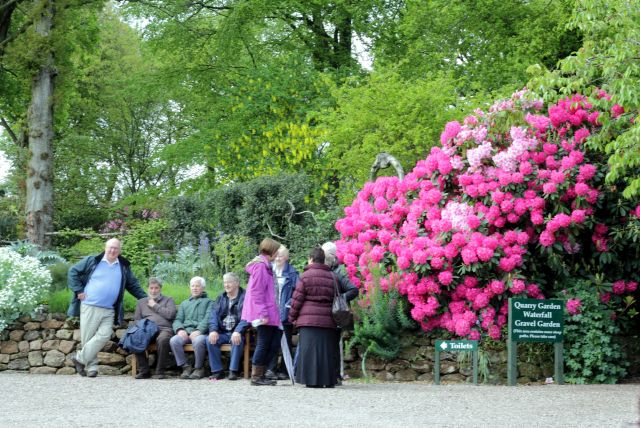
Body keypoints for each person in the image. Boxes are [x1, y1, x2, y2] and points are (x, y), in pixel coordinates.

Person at [67, 238, 147, 378]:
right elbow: (73, 271)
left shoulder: (123, 266)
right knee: (88, 338)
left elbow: (133, 285)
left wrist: (146, 299)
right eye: (110, 247)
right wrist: (79, 290)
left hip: (109, 309)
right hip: (90, 306)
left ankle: (79, 358)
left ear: (119, 250)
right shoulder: (93, 261)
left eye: (116, 248)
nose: (112, 250)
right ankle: (91, 368)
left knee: (104, 335)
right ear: (105, 247)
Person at [289, 247, 338, 388]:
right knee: (326, 352)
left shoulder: (305, 276)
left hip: (308, 320)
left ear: (311, 259)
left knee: (309, 352)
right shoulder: (332, 276)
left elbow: (297, 299)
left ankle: (311, 380)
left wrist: (292, 317)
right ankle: (327, 380)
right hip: (328, 319)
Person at [241, 237, 282, 386]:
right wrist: (263, 313)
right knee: (264, 343)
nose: (278, 254)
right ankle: (257, 376)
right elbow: (257, 292)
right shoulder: (260, 266)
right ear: (271, 250)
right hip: (264, 312)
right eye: (276, 250)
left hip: (271, 311)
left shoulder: (265, 265)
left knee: (272, 342)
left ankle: (262, 373)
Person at [321, 241, 359, 385]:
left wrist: (339, 298)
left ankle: (337, 374)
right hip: (325, 312)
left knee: (335, 345)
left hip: (336, 313)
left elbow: (353, 289)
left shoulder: (338, 271)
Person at [206, 272, 249, 381]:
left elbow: (247, 317)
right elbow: (213, 315)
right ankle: (217, 371)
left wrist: (238, 331)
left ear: (237, 283)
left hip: (239, 332)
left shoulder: (246, 297)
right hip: (223, 332)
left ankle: (233, 371)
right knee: (210, 339)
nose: (226, 285)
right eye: (225, 282)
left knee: (236, 339)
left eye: (229, 282)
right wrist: (213, 330)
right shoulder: (221, 297)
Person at [265, 245, 299, 381]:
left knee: (286, 343)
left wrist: (289, 304)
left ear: (286, 257)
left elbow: (298, 292)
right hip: (270, 313)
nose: (278, 258)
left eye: (281, 255)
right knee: (272, 342)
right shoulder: (268, 269)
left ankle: (285, 370)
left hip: (285, 313)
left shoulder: (292, 273)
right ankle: (270, 369)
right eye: (276, 255)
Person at [132, 277, 177, 379]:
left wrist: (155, 305)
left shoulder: (168, 300)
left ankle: (160, 371)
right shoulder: (141, 302)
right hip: (147, 329)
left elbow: (171, 315)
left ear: (160, 288)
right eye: (151, 288)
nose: (153, 291)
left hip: (164, 329)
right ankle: (144, 371)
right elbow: (137, 320)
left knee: (162, 339)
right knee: (136, 337)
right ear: (148, 288)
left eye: (156, 288)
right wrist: (143, 329)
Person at [170, 276, 213, 380]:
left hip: (201, 333)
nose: (194, 288)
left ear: (203, 288)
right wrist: (180, 329)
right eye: (192, 286)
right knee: (174, 340)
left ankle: (199, 368)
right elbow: (178, 319)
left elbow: (208, 319)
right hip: (186, 332)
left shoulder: (209, 302)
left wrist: (199, 330)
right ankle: (186, 367)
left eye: (197, 286)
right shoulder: (184, 303)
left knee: (198, 341)